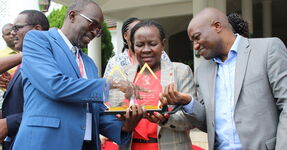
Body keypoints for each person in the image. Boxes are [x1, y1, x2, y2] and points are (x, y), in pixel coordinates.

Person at [160, 8, 287, 150]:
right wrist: (187, 102)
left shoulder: (268, 49)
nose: (195, 46)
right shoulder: (202, 72)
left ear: (217, 26)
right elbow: (208, 123)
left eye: (197, 37)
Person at [12, 1, 144, 150]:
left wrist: (126, 126)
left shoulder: (89, 63)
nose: (95, 32)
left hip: (86, 144)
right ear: (73, 16)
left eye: (99, 29)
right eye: (92, 24)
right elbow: (55, 85)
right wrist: (113, 84)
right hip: (46, 142)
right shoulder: (38, 40)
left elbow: (96, 111)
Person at [116, 20, 196, 150]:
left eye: (153, 44)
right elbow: (113, 117)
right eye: (140, 45)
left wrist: (164, 119)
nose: (146, 50)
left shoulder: (181, 72)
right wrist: (124, 119)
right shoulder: (123, 75)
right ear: (133, 47)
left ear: (163, 44)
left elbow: (192, 118)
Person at [0, 10, 50, 150]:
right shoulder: (25, 59)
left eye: (17, 28)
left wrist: (9, 123)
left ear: (37, 30)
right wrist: (12, 86)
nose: (12, 33)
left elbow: (50, 109)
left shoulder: (47, 59)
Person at [103, 17, 170, 78]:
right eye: (134, 30)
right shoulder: (115, 62)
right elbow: (106, 88)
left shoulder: (161, 55)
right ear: (125, 35)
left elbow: (170, 78)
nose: (139, 32)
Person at [0, 23, 17, 112]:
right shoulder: (1, 56)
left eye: (13, 31)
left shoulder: (28, 50)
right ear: (3, 37)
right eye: (8, 34)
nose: (12, 35)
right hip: (9, 99)